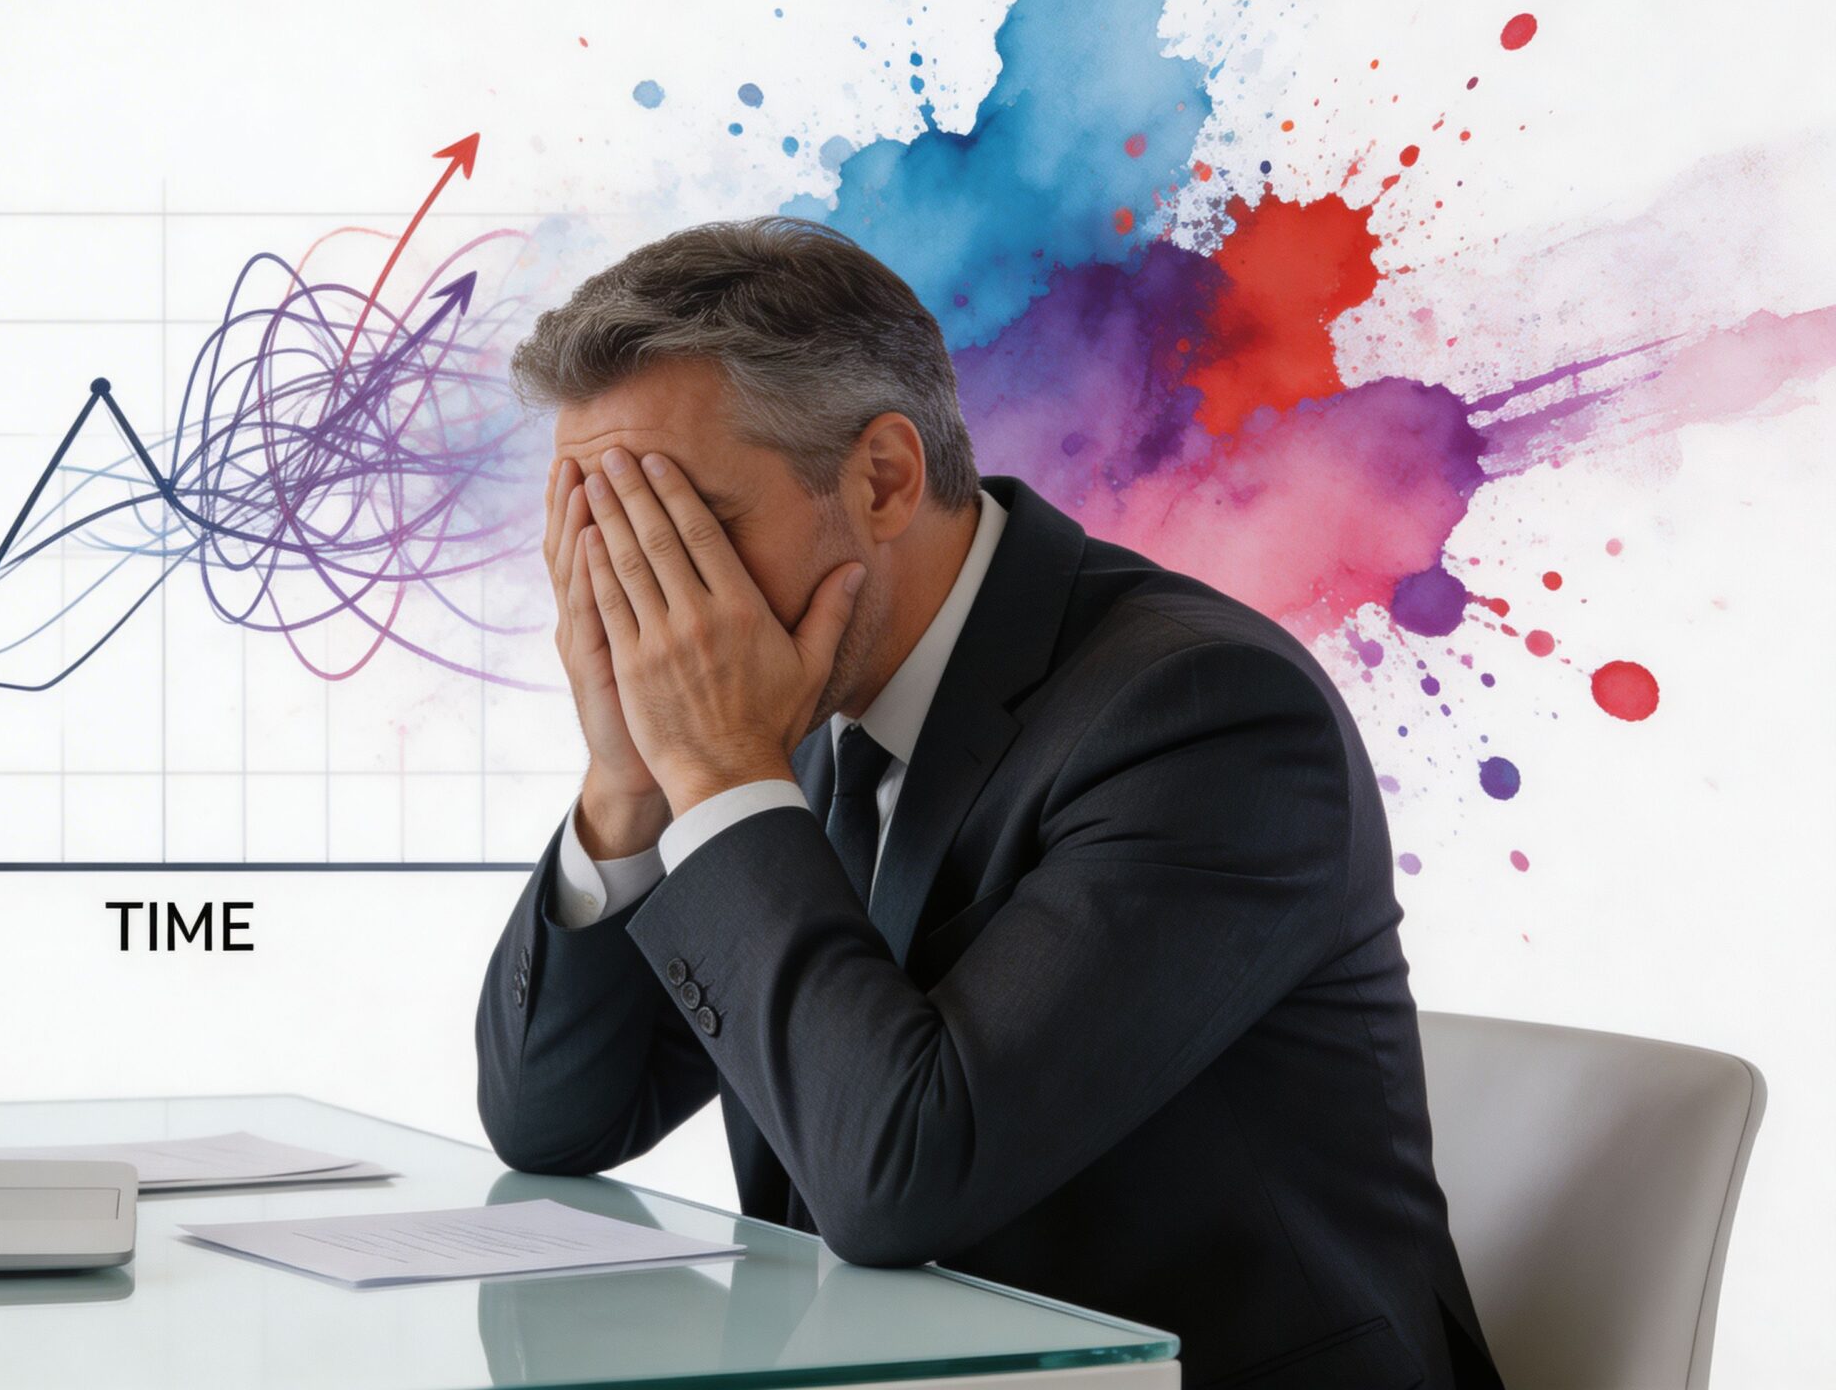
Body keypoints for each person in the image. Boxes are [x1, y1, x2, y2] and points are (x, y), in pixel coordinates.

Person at [473, 216, 1502, 1389]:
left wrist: (714, 768)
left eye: (685, 531)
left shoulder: (1207, 717)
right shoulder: (786, 708)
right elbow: (553, 1125)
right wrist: (628, 780)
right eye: (604, 536)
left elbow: (898, 1181)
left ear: (881, 478)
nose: (648, 602)